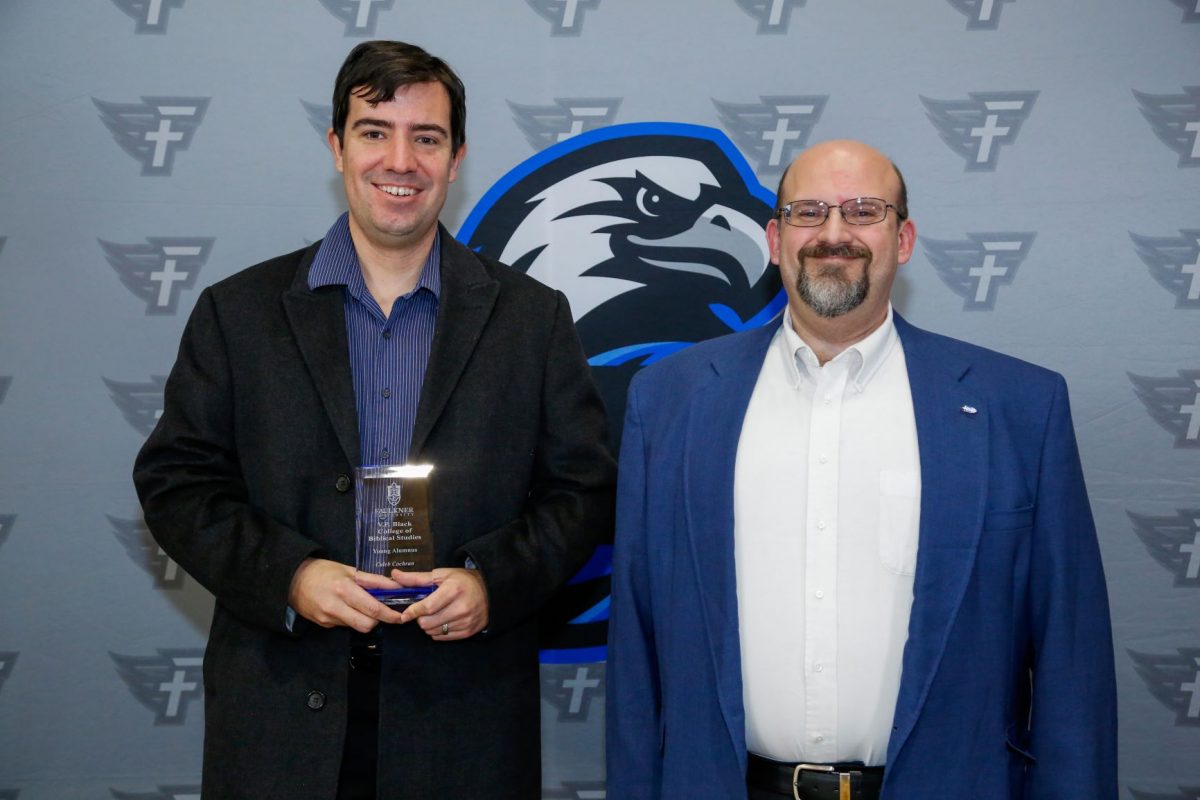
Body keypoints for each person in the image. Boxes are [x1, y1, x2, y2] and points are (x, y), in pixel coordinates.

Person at [134, 40, 614, 800]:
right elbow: (177, 485)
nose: (401, 160)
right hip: (281, 717)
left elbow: (582, 491)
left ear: (456, 159)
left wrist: (493, 582)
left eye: (426, 138)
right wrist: (290, 576)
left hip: (465, 722)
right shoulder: (239, 313)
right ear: (336, 146)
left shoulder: (532, 319)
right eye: (373, 132)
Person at [606, 139, 1116, 800]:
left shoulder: (1017, 407)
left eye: (863, 211)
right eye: (809, 212)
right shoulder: (670, 399)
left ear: (903, 240)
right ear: (775, 238)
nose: (834, 234)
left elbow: (1069, 657)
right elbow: (637, 647)